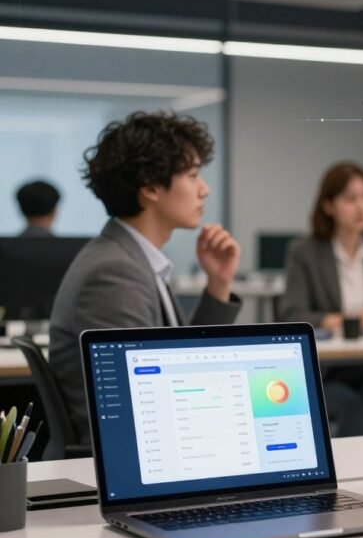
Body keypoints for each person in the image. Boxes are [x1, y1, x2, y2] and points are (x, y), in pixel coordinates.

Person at [50, 111, 242, 445]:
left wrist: (219, 282)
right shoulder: (114, 273)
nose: (205, 189)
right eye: (193, 176)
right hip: (129, 458)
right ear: (151, 187)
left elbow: (186, 362)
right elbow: (144, 404)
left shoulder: (132, 259)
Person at [278, 161, 363, 437]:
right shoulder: (305, 253)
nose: (362, 207)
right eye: (351, 199)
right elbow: (292, 313)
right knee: (355, 410)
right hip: (326, 371)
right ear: (329, 205)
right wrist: (344, 320)